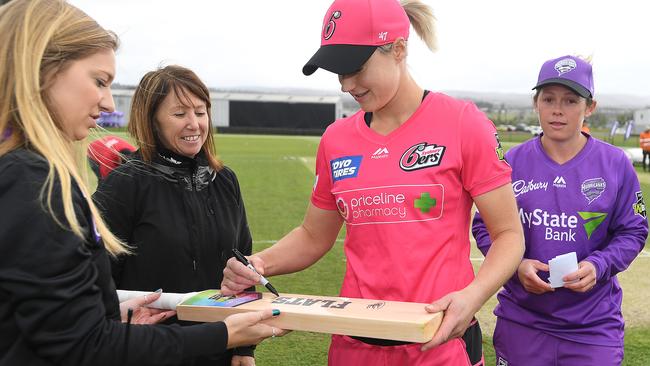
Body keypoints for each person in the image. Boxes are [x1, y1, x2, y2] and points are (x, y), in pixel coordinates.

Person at [221, 0, 525, 365]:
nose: (347, 85)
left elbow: (509, 235)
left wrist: (472, 297)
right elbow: (314, 235)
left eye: (356, 68)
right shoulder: (336, 139)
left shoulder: (464, 124)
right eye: (338, 72)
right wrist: (260, 263)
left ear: (398, 49)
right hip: (354, 347)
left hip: (438, 345)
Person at [0, 1, 281, 365]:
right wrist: (224, 334)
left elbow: (63, 318)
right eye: (99, 81)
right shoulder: (32, 181)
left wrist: (116, 318)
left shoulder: (223, 180)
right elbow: (80, 344)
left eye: (200, 111)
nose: (105, 102)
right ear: (43, 70)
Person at [472, 55, 648, 365]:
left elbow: (633, 230)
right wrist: (516, 265)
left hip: (593, 327)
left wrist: (599, 265)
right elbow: (485, 226)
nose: (557, 109)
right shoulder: (512, 162)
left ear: (589, 107)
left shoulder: (615, 164)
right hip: (522, 321)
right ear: (535, 103)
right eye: (548, 99)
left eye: (570, 100)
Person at [92, 65, 259, 366]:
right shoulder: (126, 183)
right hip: (148, 350)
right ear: (152, 120)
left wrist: (244, 349)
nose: (194, 124)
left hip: (220, 346)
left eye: (200, 111)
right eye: (180, 114)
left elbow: (241, 265)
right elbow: (95, 276)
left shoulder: (224, 180)